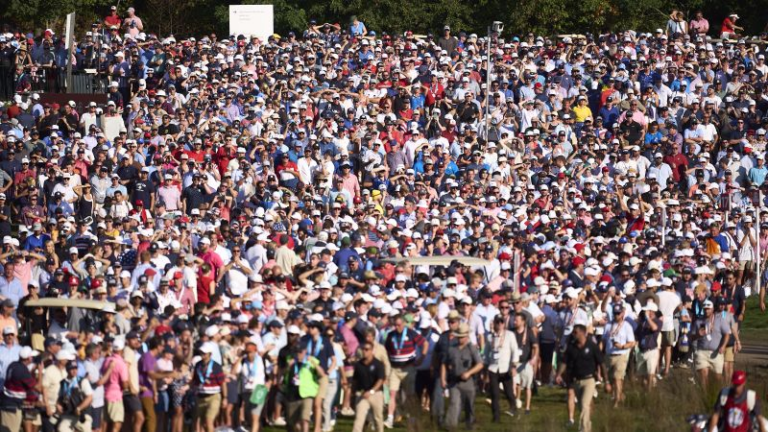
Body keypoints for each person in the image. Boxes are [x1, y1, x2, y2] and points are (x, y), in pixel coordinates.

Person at [556, 323, 609, 432]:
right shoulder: (571, 347)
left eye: (576, 332)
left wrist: (607, 381)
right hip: (576, 381)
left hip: (589, 380)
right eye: (573, 332)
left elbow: (602, 363)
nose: (573, 334)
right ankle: (588, 428)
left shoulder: (592, 346)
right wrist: (558, 374)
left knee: (585, 404)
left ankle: (583, 430)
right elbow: (564, 362)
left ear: (583, 333)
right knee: (582, 407)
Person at [440, 323, 483, 430]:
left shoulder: (471, 348)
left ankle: (470, 426)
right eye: (458, 336)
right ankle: (450, 427)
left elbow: (480, 364)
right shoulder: (451, 349)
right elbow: (444, 364)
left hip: (468, 383)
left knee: (469, 406)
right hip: (454, 382)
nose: (460, 339)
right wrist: (443, 378)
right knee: (454, 403)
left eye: (462, 336)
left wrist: (469, 373)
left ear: (467, 336)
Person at [485, 314, 519, 421]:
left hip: (506, 368)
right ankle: (496, 417)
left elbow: (515, 351)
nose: (499, 324)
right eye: (497, 322)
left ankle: (513, 407)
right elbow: (486, 353)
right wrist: (484, 367)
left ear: (504, 324)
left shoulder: (510, 335)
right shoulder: (490, 337)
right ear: (494, 323)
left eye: (501, 322)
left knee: (509, 392)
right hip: (493, 368)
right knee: (495, 394)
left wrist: (513, 366)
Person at [602, 303, 635, 407]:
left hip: (621, 355)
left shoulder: (627, 326)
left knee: (617, 378)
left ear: (622, 313)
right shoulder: (608, 325)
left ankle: (616, 401)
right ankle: (619, 395)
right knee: (610, 379)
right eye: (615, 313)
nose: (616, 315)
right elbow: (603, 340)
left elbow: (632, 342)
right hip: (609, 354)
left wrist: (622, 346)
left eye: (618, 313)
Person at [692, 300, 731, 386]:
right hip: (702, 352)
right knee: (703, 373)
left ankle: (717, 394)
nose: (707, 311)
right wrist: (698, 335)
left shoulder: (720, 320)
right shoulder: (698, 321)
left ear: (713, 309)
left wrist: (723, 346)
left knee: (717, 378)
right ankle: (704, 397)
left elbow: (727, 334)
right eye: (705, 309)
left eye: (708, 309)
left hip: (716, 352)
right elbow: (691, 337)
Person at [351, 341, 385, 432]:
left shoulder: (378, 364)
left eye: (367, 349)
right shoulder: (358, 365)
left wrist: (371, 391)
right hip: (362, 394)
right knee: (359, 418)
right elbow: (355, 380)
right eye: (363, 349)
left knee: (378, 418)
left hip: (376, 394)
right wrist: (353, 394)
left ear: (372, 351)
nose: (364, 351)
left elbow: (380, 380)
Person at [193, 341, 227, 432]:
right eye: (201, 353)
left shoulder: (216, 366)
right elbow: (195, 380)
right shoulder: (198, 365)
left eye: (204, 353)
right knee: (201, 422)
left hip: (213, 397)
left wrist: (225, 398)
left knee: (208, 420)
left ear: (210, 354)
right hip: (200, 397)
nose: (202, 355)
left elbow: (222, 383)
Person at [56, 361, 94, 432]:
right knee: (62, 429)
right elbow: (60, 397)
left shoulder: (82, 381)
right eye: (72, 369)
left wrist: (79, 408)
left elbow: (89, 397)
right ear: (67, 370)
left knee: (86, 429)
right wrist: (58, 404)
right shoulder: (63, 383)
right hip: (69, 413)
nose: (74, 371)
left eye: (76, 368)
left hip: (83, 414)